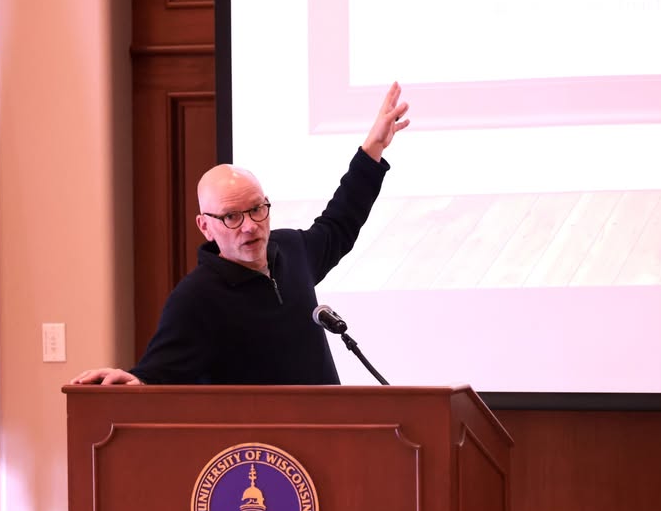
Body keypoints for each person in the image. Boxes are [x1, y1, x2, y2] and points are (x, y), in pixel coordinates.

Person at [73, 82, 410, 386]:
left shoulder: (292, 250)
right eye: (231, 216)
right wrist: (132, 381)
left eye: (256, 209)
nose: (249, 225)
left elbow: (340, 221)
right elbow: (158, 374)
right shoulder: (196, 298)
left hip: (330, 438)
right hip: (259, 452)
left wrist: (372, 149)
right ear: (205, 226)